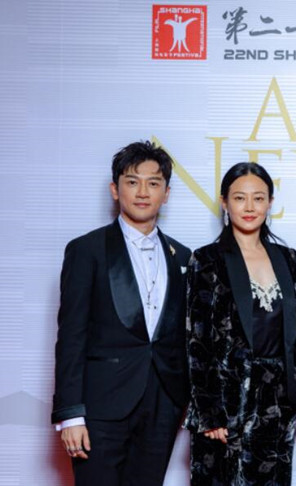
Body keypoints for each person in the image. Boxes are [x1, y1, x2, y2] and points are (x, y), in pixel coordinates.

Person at [52, 140, 191, 485]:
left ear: (166, 193)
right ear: (115, 190)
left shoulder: (184, 256)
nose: (143, 192)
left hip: (162, 405)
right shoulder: (87, 250)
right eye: (132, 182)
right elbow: (71, 336)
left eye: (153, 183)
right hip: (100, 407)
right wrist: (71, 415)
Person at [184, 162, 296, 485]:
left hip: (276, 403)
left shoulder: (288, 258)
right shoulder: (206, 259)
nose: (250, 207)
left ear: (270, 202)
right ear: (224, 202)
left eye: (259, 198)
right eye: (240, 198)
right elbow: (196, 340)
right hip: (226, 404)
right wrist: (209, 412)